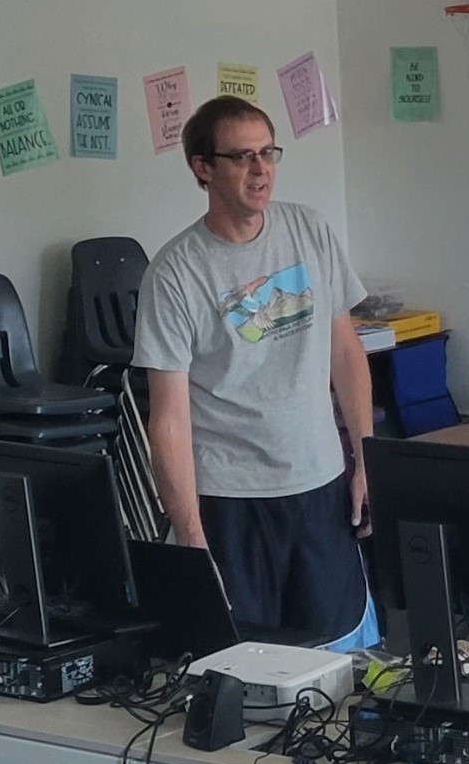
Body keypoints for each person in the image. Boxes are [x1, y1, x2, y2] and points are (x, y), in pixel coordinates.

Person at [134, 96, 376, 647]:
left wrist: (367, 459)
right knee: (242, 664)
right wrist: (192, 540)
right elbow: (168, 420)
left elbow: (346, 354)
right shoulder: (175, 273)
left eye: (268, 152)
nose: (261, 169)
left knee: (335, 657)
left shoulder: (309, 231)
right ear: (203, 167)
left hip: (318, 484)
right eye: (242, 156)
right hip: (230, 502)